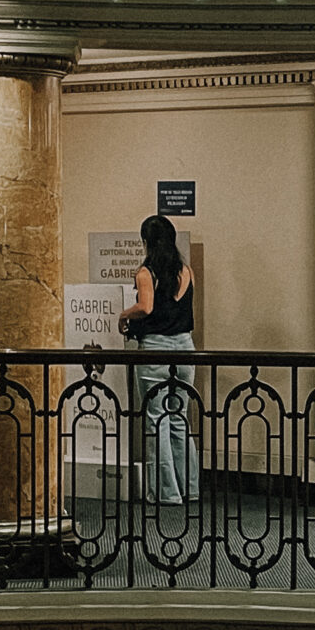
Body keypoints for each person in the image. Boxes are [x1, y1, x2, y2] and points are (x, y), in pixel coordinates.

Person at [120, 212, 200, 509]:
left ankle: (165, 492)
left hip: (155, 349)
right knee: (179, 418)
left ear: (147, 241)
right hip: (184, 348)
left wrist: (123, 315)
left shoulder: (146, 272)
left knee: (157, 420)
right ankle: (189, 486)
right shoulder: (186, 271)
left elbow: (146, 306)